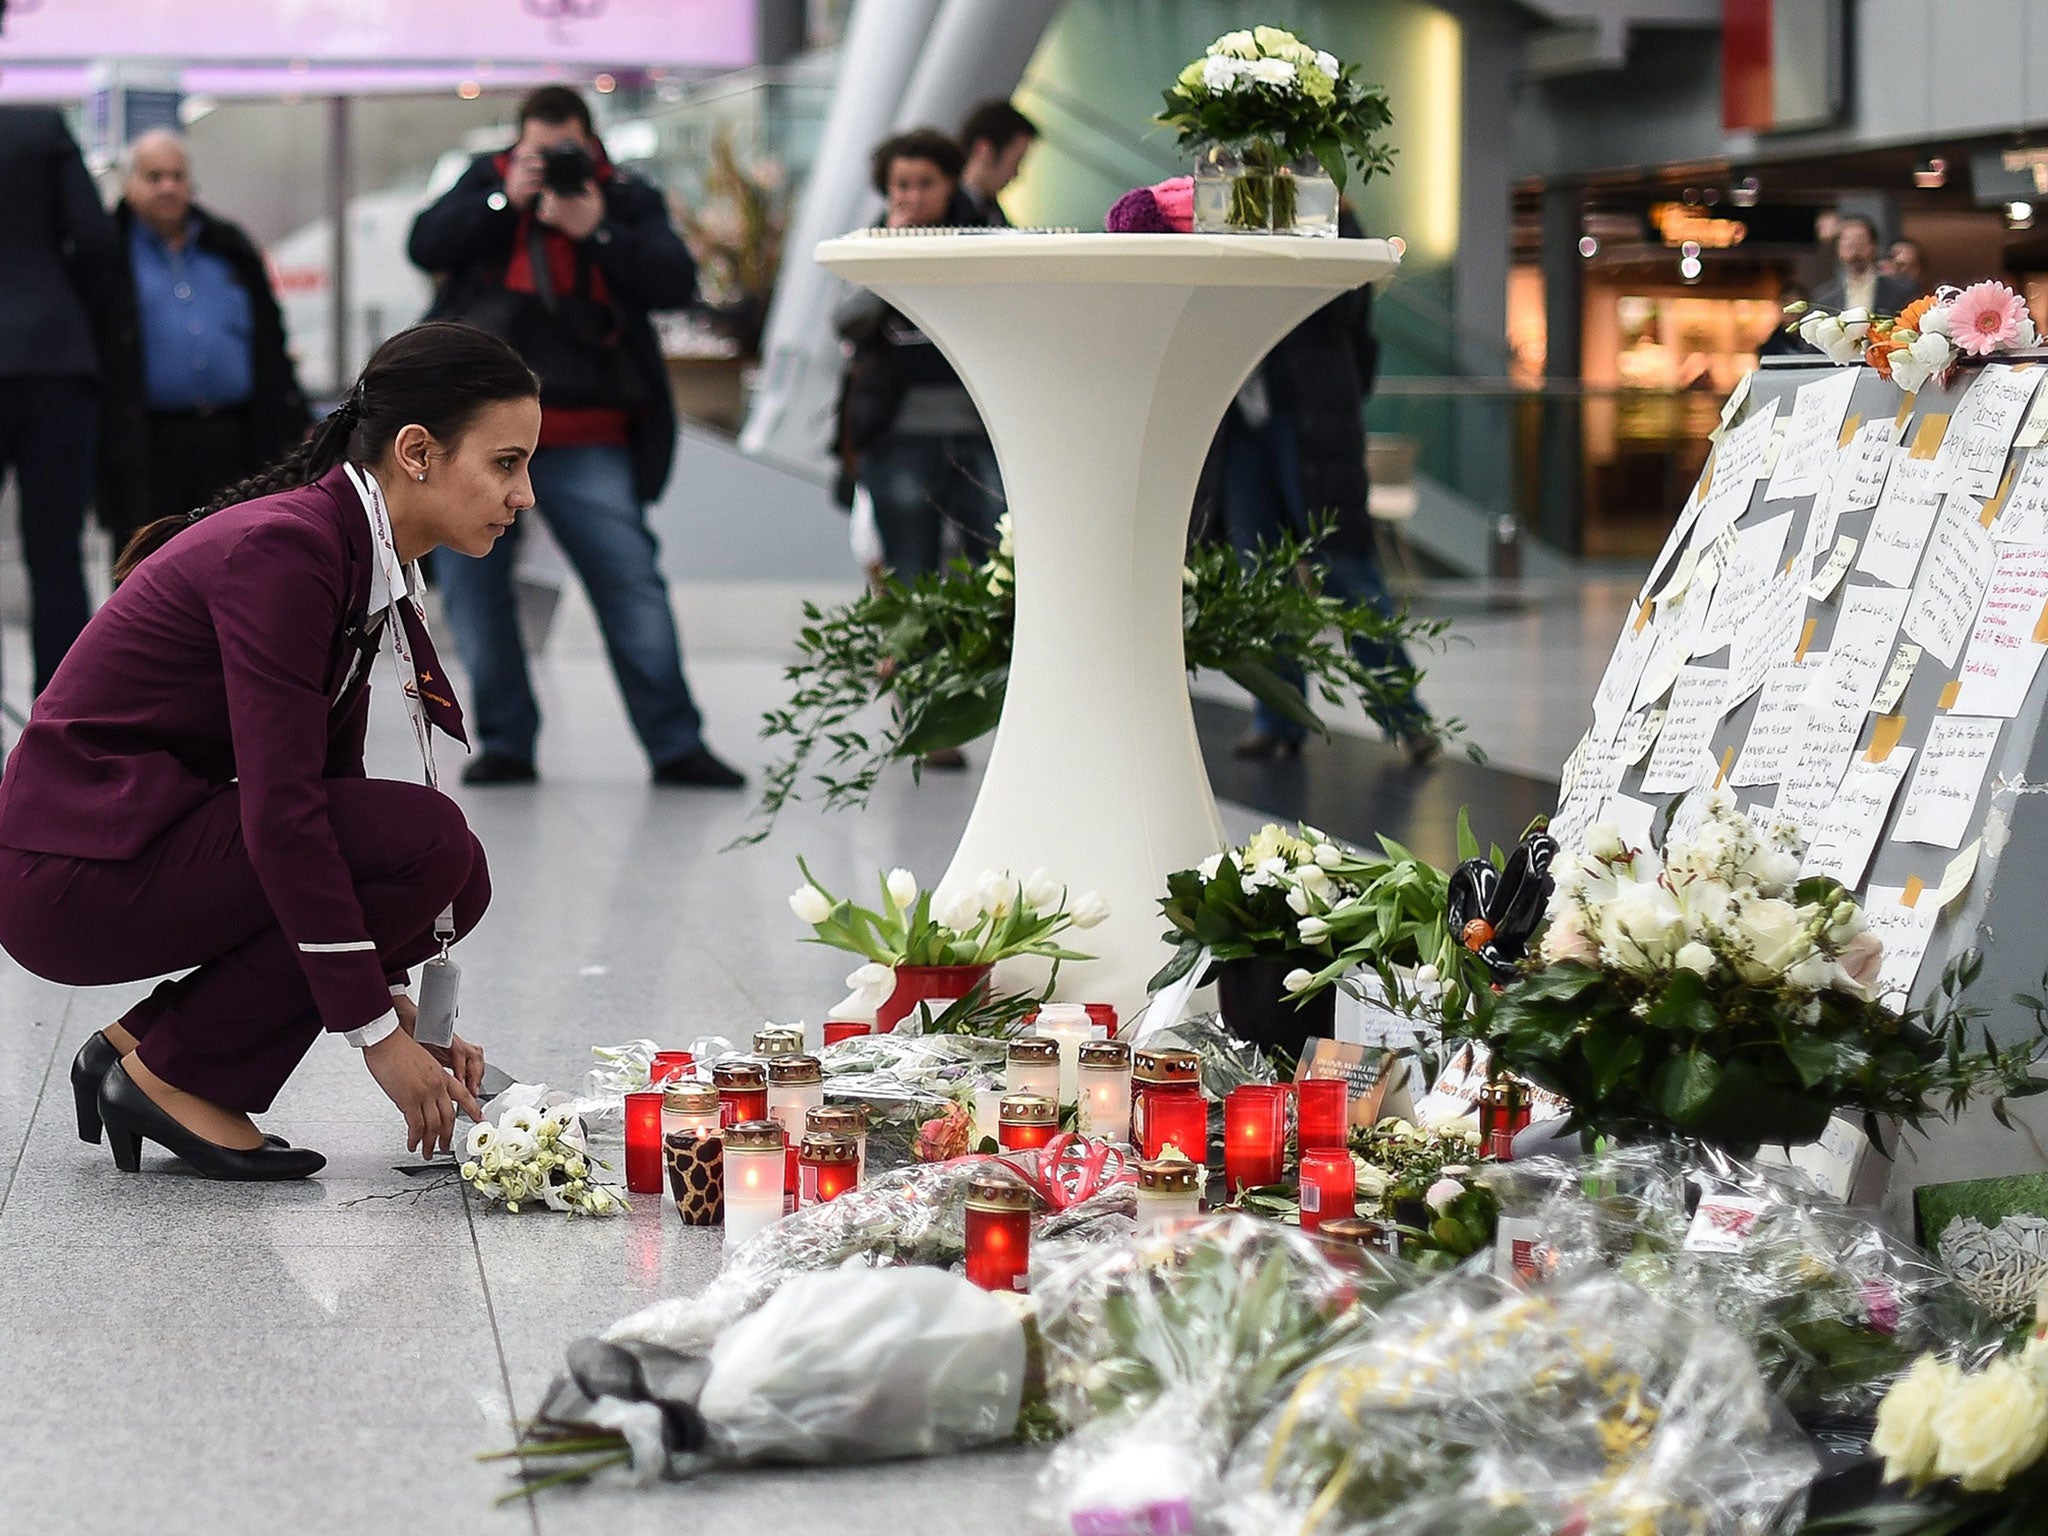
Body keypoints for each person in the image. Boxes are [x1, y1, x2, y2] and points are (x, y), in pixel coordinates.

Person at [0, 322, 527, 1180]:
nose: (525, 495)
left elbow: (331, 791)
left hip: (133, 843)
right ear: (419, 452)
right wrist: (376, 1040)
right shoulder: (293, 551)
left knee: (451, 872)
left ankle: (148, 1046)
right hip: (69, 874)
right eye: (506, 463)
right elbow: (285, 813)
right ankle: (178, 1077)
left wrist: (398, 1006)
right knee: (430, 842)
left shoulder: (348, 549)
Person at [407, 85, 743, 789]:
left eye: (568, 152)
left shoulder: (623, 197)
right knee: (473, 590)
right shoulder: (487, 181)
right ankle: (504, 742)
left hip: (589, 428)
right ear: (517, 144)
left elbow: (675, 280)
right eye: (539, 152)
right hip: (476, 434)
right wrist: (508, 200)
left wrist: (598, 227)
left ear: (591, 145)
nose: (555, 164)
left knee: (629, 583)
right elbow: (426, 243)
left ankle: (675, 744)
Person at [1197, 209, 1436, 765]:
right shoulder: (1222, 221)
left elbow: (1346, 310)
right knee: (1261, 577)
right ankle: (1278, 719)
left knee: (1346, 570)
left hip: (1312, 423)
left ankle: (1406, 716)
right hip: (1242, 425)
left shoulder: (1335, 224)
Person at [98, 128, 312, 543]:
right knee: (150, 569)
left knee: (237, 558)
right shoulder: (108, 254)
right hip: (148, 444)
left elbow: (270, 340)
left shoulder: (228, 247)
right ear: (128, 184)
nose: (168, 187)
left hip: (234, 440)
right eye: (154, 176)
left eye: (177, 176)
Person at [834, 128, 1003, 583]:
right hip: (899, 435)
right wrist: (886, 253)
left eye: (926, 184)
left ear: (951, 182)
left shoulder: (988, 235)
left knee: (997, 573)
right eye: (901, 186)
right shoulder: (869, 242)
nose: (914, 197)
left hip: (980, 432)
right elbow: (848, 320)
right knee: (910, 576)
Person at [0, 107, 129, 698]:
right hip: (55, 358)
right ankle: (60, 720)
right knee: (55, 558)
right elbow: (98, 240)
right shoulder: (42, 128)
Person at [952, 100, 1037, 227]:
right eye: (1016, 162)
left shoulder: (994, 215)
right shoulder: (941, 213)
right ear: (984, 151)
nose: (1015, 174)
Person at [1810, 215, 1916, 315]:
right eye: (1848, 242)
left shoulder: (1899, 290)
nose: (1855, 249)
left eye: (1861, 241)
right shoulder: (1824, 297)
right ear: (1838, 249)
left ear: (1874, 246)